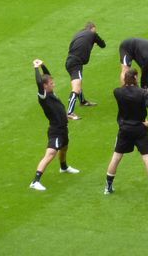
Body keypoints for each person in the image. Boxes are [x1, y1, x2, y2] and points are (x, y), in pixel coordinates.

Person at [104, 68, 148, 197]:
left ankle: (108, 188)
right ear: (136, 77)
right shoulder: (143, 93)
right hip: (140, 129)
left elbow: (123, 89)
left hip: (124, 129)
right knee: (147, 158)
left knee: (116, 157)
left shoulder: (117, 92)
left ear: (125, 78)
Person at [30, 60, 79, 191]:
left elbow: (47, 75)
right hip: (55, 130)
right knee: (51, 153)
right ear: (45, 86)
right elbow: (39, 82)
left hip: (63, 128)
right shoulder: (43, 96)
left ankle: (63, 167)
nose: (54, 84)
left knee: (64, 148)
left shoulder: (51, 93)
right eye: (51, 83)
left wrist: (42, 65)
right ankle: (35, 181)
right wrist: (36, 68)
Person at [64, 21, 105, 120]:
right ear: (92, 29)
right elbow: (103, 45)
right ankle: (69, 112)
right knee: (76, 87)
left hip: (70, 61)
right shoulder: (92, 34)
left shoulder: (78, 34)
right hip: (75, 63)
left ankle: (82, 101)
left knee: (79, 81)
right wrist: (95, 39)